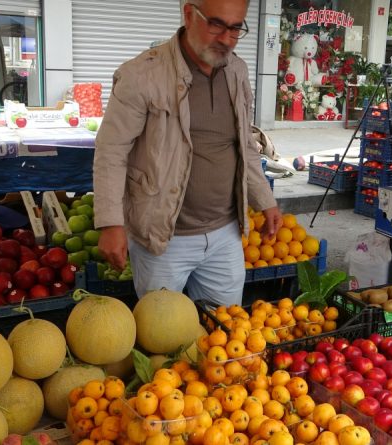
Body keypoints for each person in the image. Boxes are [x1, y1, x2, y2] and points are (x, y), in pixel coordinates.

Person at [93, 0, 281, 306]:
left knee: (223, 334)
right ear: (189, 14)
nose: (226, 38)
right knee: (164, 340)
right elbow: (111, 151)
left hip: (225, 234)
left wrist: (265, 200)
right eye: (216, 24)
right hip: (163, 238)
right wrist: (110, 222)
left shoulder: (237, 70)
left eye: (235, 28)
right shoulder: (141, 75)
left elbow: (244, 142)